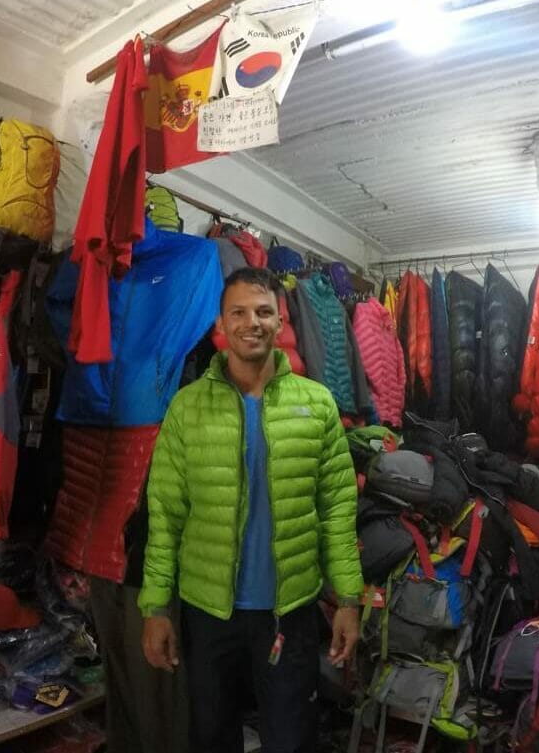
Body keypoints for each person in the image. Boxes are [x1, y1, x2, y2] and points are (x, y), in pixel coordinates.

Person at [138, 266, 364, 753]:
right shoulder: (186, 408)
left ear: (281, 322)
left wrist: (348, 600)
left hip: (289, 611)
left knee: (290, 738)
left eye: (263, 312)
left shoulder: (317, 404)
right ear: (220, 324)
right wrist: (156, 607)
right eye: (238, 312)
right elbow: (165, 516)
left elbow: (338, 512)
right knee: (212, 736)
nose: (251, 322)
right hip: (207, 612)